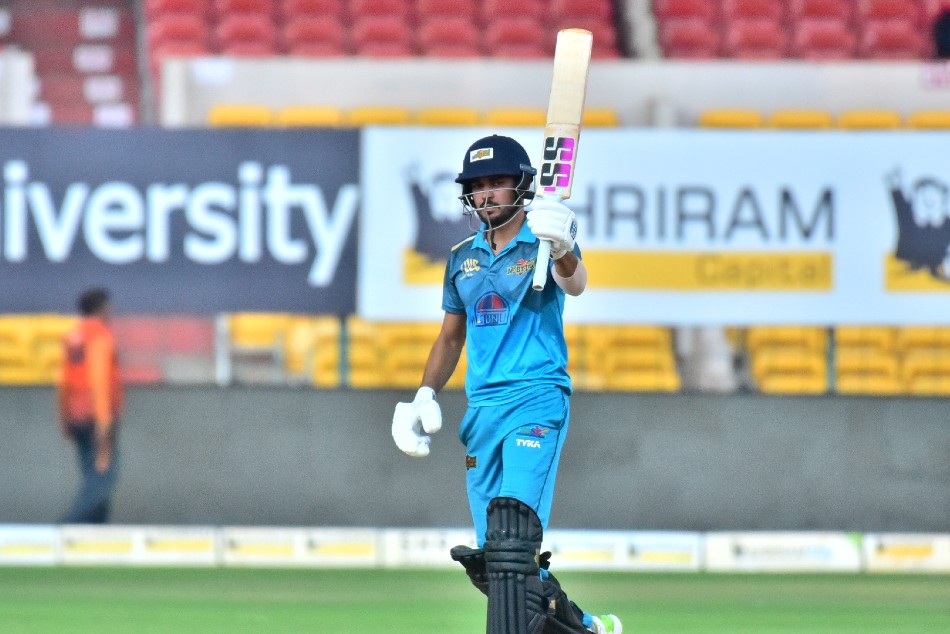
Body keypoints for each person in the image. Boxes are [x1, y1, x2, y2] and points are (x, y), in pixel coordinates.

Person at [392, 135, 621, 634]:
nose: (486, 194)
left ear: (520, 185)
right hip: (483, 413)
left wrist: (563, 247)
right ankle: (584, 627)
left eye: (497, 182)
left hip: (535, 398)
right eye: (478, 186)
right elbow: (451, 337)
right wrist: (424, 394)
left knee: (513, 540)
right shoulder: (461, 257)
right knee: (493, 563)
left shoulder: (545, 238)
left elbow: (576, 283)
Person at [58, 287, 123, 523]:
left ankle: (95, 531)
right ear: (103, 308)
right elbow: (99, 378)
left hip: (77, 416)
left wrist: (65, 417)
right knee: (103, 476)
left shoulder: (74, 337)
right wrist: (104, 421)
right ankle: (69, 528)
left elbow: (64, 381)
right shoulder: (99, 336)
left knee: (91, 472)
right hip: (96, 416)